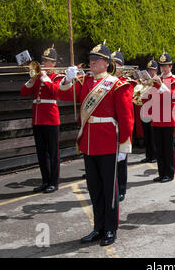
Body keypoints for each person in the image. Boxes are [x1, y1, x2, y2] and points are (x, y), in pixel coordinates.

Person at [59, 43, 134, 246]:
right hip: (89, 143)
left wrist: (123, 146)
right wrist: (67, 78)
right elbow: (64, 94)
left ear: (106, 63)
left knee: (110, 191)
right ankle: (98, 227)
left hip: (109, 142)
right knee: (94, 189)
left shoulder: (117, 84)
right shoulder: (84, 81)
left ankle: (111, 229)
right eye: (91, 59)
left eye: (97, 59)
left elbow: (126, 117)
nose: (92, 62)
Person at [20, 46, 64, 194]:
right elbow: (24, 93)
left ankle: (54, 182)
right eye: (43, 60)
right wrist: (32, 80)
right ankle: (45, 181)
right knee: (41, 153)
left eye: (48, 61)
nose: (44, 63)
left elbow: (55, 93)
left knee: (53, 153)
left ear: (54, 63)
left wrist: (45, 77)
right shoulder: (37, 77)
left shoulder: (57, 77)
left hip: (51, 119)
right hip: (37, 119)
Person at [143, 51, 175, 183]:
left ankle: (169, 173)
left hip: (168, 118)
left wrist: (160, 85)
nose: (163, 69)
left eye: (166, 66)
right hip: (156, 118)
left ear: (171, 67)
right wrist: (146, 87)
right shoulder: (156, 80)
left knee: (168, 149)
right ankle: (161, 173)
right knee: (159, 148)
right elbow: (149, 98)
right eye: (161, 66)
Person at [112, 49, 137, 202]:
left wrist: (125, 139)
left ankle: (121, 188)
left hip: (121, 126)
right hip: (108, 127)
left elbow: (127, 114)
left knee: (121, 162)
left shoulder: (125, 83)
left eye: (116, 65)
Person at [140, 60, 158, 162]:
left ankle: (154, 156)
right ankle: (148, 155)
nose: (151, 72)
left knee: (153, 136)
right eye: (149, 70)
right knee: (146, 134)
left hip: (154, 111)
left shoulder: (157, 81)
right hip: (145, 110)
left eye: (153, 70)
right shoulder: (145, 82)